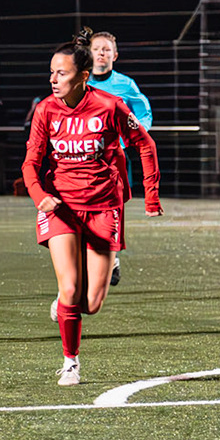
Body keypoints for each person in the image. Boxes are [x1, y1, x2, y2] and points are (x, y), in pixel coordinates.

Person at [24, 30, 161, 387]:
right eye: (51, 72)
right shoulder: (45, 109)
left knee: (91, 303)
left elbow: (145, 145)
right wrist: (40, 196)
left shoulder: (110, 105)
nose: (53, 80)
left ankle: (67, 303)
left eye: (62, 73)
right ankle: (70, 362)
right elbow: (30, 163)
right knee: (70, 289)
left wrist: (151, 197)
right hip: (60, 206)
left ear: (83, 76)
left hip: (103, 206)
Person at [87, 30, 154, 288]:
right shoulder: (80, 82)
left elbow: (143, 114)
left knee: (112, 208)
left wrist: (131, 137)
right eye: (96, 49)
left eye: (106, 49)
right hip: (81, 157)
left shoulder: (125, 85)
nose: (101, 54)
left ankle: (111, 258)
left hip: (113, 159)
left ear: (115, 55)